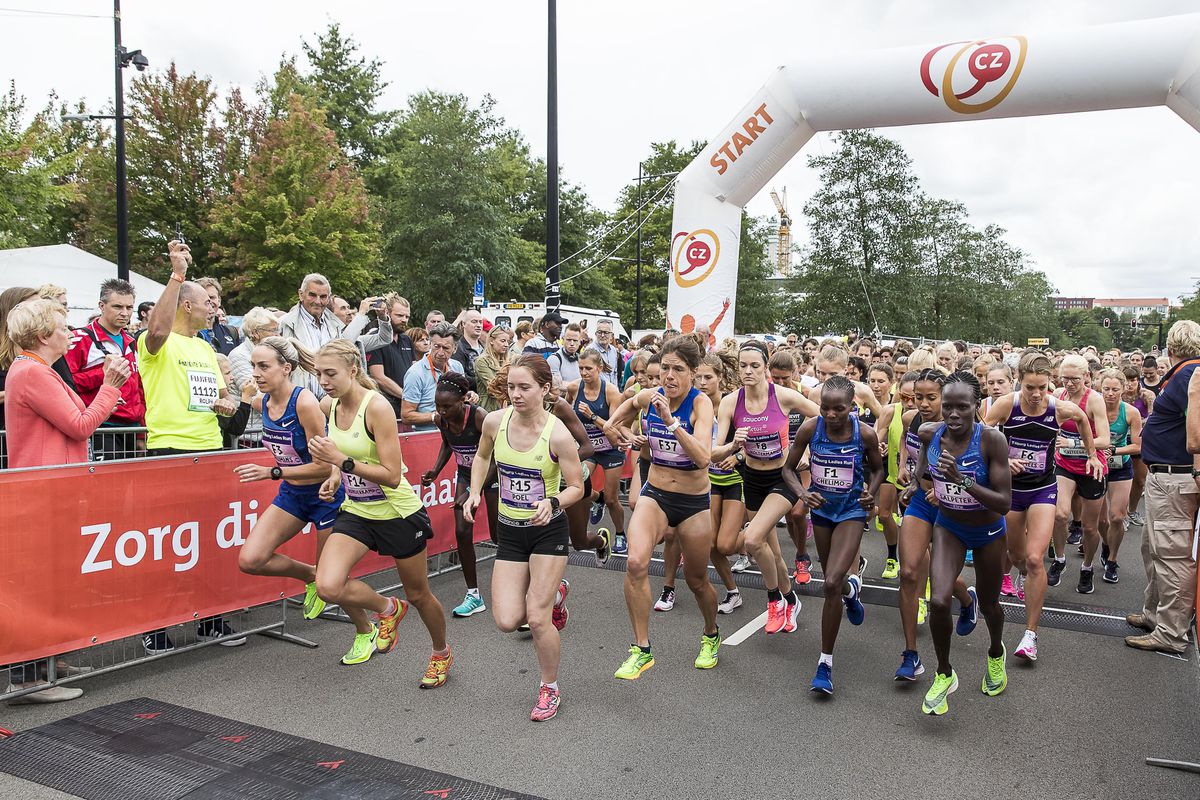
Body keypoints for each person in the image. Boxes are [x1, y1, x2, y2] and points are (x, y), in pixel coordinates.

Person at [308, 338, 453, 687]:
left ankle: (440, 653)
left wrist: (340, 462)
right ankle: (388, 609)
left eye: (331, 373)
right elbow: (340, 455)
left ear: (353, 370)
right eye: (318, 374)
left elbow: (390, 473)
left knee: (418, 594)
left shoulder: (377, 408)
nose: (323, 381)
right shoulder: (328, 405)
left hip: (396, 512)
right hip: (357, 511)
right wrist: (332, 475)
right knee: (327, 586)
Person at [464, 355, 585, 721]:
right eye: (511, 387)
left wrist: (553, 501)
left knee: (536, 618)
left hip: (547, 532)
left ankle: (549, 687)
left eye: (524, 388)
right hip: (511, 532)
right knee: (506, 620)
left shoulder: (558, 434)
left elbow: (578, 487)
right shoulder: (495, 423)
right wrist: (473, 492)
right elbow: (482, 458)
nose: (515, 395)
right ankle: (557, 593)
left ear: (544, 390)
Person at [138, 240, 244, 653]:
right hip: (170, 452)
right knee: (168, 546)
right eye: (206, 304)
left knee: (207, 543)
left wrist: (227, 402)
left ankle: (209, 621)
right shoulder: (158, 343)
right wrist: (177, 274)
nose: (214, 311)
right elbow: (158, 329)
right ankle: (156, 627)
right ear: (185, 305)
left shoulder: (205, 347)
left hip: (210, 450)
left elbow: (222, 399)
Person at [232, 337, 362, 656]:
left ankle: (366, 630)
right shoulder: (262, 402)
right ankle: (309, 575)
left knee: (333, 584)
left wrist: (271, 472)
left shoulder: (304, 403)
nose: (256, 373)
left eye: (264, 366)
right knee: (251, 559)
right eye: (253, 366)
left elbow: (324, 466)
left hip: (325, 495)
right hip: (293, 494)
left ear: (285, 368)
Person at [604, 336, 720, 679]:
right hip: (656, 494)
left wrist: (670, 422)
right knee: (637, 563)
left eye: (678, 370)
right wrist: (621, 434)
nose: (669, 376)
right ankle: (641, 648)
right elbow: (616, 419)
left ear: (694, 372)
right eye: (665, 368)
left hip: (694, 502)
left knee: (698, 581)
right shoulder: (648, 397)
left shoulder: (701, 406)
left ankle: (711, 634)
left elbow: (702, 459)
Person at [905, 372, 1011, 716]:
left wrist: (961, 480)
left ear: (976, 407)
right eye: (947, 406)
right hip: (949, 527)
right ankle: (944, 673)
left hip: (988, 532)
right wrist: (917, 482)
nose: (952, 414)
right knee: (937, 600)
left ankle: (995, 652)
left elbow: (1004, 502)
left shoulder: (991, 441)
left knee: (992, 605)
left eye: (961, 407)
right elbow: (923, 461)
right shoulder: (929, 432)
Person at [984, 352, 1097, 662]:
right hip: (1010, 492)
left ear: (1051, 384)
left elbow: (1083, 419)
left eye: (1042, 388)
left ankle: (1030, 635)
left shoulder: (1059, 409)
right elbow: (980, 434)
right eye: (1030, 387)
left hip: (1043, 490)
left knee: (1035, 559)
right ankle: (1022, 574)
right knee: (1016, 555)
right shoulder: (1008, 404)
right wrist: (1004, 461)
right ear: (1020, 381)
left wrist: (1090, 455)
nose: (1036, 395)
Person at [712, 341, 819, 635]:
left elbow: (821, 415)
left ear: (765, 367)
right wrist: (734, 446)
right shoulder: (730, 402)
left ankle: (774, 600)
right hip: (752, 479)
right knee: (770, 553)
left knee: (751, 539)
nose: (748, 371)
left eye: (754, 366)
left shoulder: (783, 396)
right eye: (743, 365)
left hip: (782, 478)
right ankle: (791, 599)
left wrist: (803, 448)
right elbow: (713, 452)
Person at [785, 376, 884, 695]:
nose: (830, 414)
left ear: (852, 407)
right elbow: (787, 469)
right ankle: (851, 592)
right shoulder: (810, 429)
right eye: (825, 408)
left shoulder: (864, 433)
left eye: (838, 409)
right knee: (834, 580)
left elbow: (879, 469)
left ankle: (824, 664)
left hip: (852, 512)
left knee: (828, 585)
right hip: (823, 511)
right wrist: (803, 492)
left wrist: (870, 493)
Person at [894, 369, 977, 681]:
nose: (925, 404)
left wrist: (944, 492)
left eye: (932, 397)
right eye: (919, 397)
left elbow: (973, 469)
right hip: (920, 502)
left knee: (940, 577)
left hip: (950, 504)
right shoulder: (912, 420)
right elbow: (915, 450)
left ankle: (968, 600)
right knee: (909, 572)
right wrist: (910, 477)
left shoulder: (966, 427)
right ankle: (910, 654)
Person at [1126, 320, 1200, 655]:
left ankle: (1171, 632)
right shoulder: (1187, 373)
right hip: (1166, 477)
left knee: (1171, 555)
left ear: (1170, 349)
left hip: (1175, 477)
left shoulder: (1189, 375)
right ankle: (1155, 615)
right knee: (1153, 548)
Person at [422, 373, 495, 619]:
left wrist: (475, 491)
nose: (441, 411)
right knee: (462, 532)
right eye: (438, 406)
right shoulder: (442, 420)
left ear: (463, 400)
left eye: (447, 406)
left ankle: (522, 587)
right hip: (465, 475)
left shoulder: (479, 417)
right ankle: (473, 595)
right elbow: (447, 444)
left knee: (499, 536)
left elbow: (496, 460)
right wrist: (435, 470)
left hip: (494, 475)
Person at [64, 279, 145, 461]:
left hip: (131, 427)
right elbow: (65, 385)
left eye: (129, 307)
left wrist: (141, 431)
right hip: (101, 425)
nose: (125, 313)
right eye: (117, 307)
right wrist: (104, 372)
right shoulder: (80, 338)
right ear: (101, 305)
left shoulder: (131, 342)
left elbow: (139, 388)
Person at [1049, 355, 1111, 595]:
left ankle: (1087, 568)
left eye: (1074, 379)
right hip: (1064, 465)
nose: (1069, 383)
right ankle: (1060, 559)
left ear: (1086, 376)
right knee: (1060, 514)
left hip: (1092, 465)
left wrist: (1073, 442)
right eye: (1065, 378)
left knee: (1089, 527)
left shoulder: (1094, 400)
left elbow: (1105, 440)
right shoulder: (1058, 397)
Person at [279, 274, 392, 397]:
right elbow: (336, 349)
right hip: (299, 402)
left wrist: (382, 317)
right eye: (312, 295)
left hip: (334, 402)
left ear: (328, 298)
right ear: (301, 294)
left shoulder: (336, 326)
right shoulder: (286, 323)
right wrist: (361, 315)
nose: (317, 301)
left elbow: (383, 339)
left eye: (323, 296)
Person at [695, 352, 744, 614]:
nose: (702, 382)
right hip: (710, 481)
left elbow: (755, 441)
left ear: (720, 378)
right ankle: (733, 592)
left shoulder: (731, 405)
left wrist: (737, 456)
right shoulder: (695, 407)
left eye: (708, 377)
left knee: (727, 544)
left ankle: (754, 539)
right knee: (712, 545)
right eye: (698, 377)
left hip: (737, 480)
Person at [1097, 368, 1141, 585]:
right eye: (1106, 389)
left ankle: (1112, 559)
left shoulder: (1131, 412)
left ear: (1123, 389)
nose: (1110, 394)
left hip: (1120, 466)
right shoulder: (1093, 410)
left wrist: (1114, 450)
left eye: (1115, 389)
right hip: (1096, 465)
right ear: (1100, 388)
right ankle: (1106, 545)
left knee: (1117, 517)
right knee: (1101, 519)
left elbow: (1136, 446)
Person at [874, 369, 917, 581]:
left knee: (912, 526)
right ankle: (892, 557)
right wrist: (878, 447)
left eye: (914, 397)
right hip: (891, 472)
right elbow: (877, 438)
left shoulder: (928, 414)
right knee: (883, 515)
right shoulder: (891, 411)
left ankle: (917, 569)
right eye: (905, 397)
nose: (909, 403)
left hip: (917, 479)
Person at [402, 321, 464, 431]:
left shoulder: (457, 367)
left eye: (446, 348)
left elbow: (461, 399)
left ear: (455, 349)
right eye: (436, 346)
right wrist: (435, 416)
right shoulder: (415, 373)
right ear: (430, 344)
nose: (440, 352)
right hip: (427, 437)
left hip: (455, 433)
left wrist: (469, 396)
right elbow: (406, 415)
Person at [367, 294, 418, 418]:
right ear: (387, 313)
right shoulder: (374, 338)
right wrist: (407, 396)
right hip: (385, 406)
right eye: (399, 315)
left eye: (407, 316)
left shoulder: (406, 339)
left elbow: (415, 370)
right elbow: (378, 377)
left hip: (408, 406)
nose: (404, 320)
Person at [195, 277, 242, 355]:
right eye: (203, 298)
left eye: (212, 297)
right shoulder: (187, 333)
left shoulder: (231, 332)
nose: (209, 301)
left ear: (219, 301)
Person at [474, 325, 511, 412]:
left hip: (507, 407)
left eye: (508, 341)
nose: (506, 345)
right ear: (491, 341)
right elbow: (493, 388)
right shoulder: (482, 361)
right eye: (502, 341)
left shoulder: (509, 360)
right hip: (488, 409)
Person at [453, 309, 485, 380]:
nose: (478, 325)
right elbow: (460, 376)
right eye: (474, 322)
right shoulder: (458, 347)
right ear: (463, 324)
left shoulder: (485, 348)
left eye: (480, 322)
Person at [586, 319, 622, 383]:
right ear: (595, 334)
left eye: (606, 332)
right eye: (600, 332)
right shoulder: (589, 350)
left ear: (611, 335)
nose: (602, 335)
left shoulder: (613, 351)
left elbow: (614, 374)